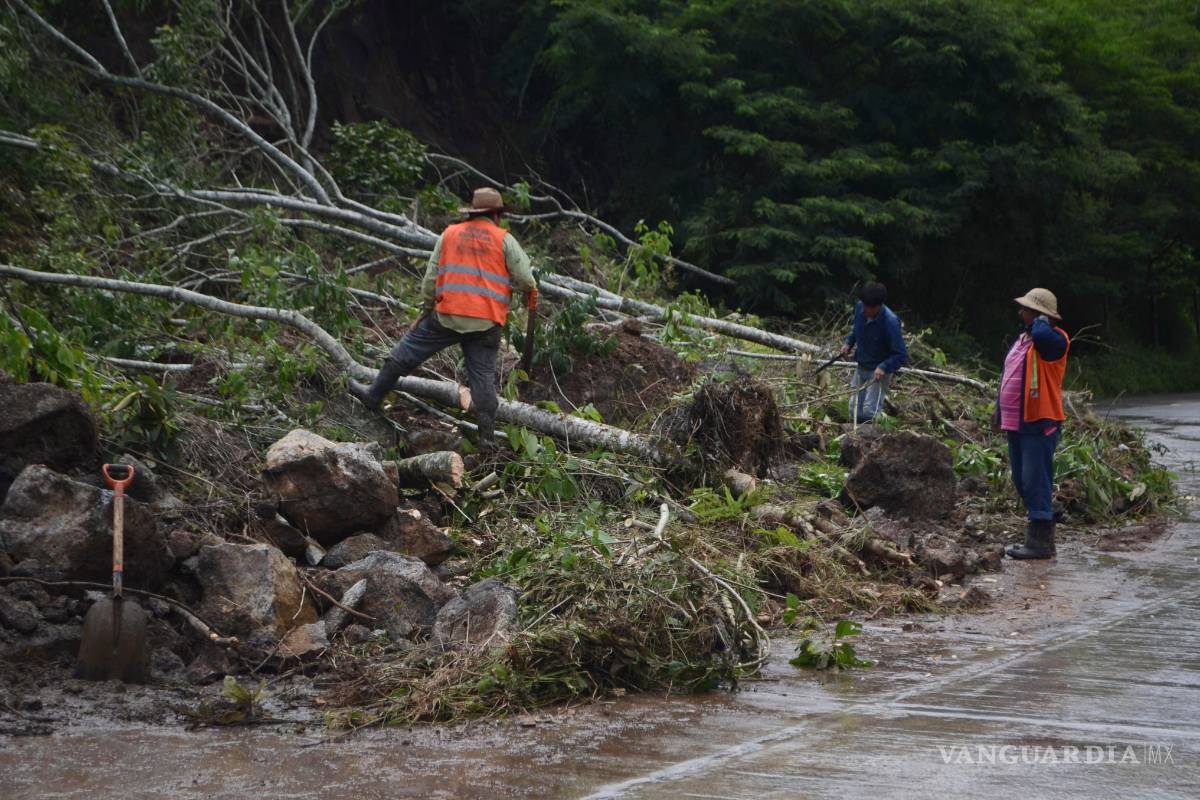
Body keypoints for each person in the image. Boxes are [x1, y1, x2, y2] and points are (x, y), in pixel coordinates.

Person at [352, 187, 538, 451]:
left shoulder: (449, 234)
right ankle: (486, 439)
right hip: (485, 323)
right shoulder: (504, 240)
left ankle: (373, 395)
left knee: (406, 352)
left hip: (447, 316)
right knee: (483, 379)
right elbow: (526, 280)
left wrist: (426, 310)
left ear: (473, 212)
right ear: (497, 215)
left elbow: (431, 279)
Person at [992, 288, 1070, 559]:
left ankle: (1039, 543)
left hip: (1039, 421)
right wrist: (997, 411)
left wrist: (1041, 321)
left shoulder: (1054, 340)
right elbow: (1008, 374)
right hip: (1016, 421)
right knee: (1021, 479)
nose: (1020, 312)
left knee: (1033, 478)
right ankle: (1047, 513)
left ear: (1039, 316)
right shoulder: (1024, 339)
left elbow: (1042, 335)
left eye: (1026, 309)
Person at [839, 282, 908, 422]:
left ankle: (879, 435)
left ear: (878, 306)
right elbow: (856, 329)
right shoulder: (860, 307)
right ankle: (855, 437)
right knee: (854, 409)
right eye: (863, 305)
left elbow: (900, 355)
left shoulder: (890, 322)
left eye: (868, 307)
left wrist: (884, 367)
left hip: (878, 373)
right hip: (861, 366)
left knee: (870, 411)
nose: (864, 310)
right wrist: (848, 343)